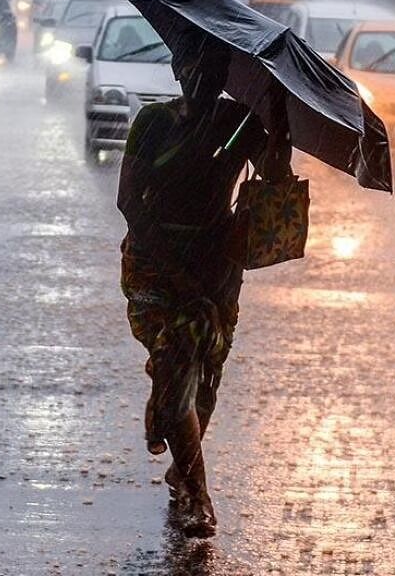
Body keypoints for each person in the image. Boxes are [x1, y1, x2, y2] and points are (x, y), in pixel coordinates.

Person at [117, 41, 292, 538]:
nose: (198, 76)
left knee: (206, 378)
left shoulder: (240, 123)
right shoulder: (152, 123)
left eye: (210, 68)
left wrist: (276, 119)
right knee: (176, 365)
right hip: (156, 267)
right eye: (190, 65)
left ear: (226, 74)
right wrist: (176, 273)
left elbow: (276, 177)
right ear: (175, 68)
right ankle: (197, 494)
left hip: (217, 269)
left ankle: (176, 439)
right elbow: (129, 200)